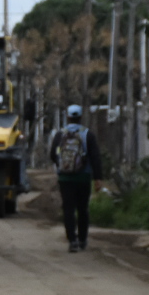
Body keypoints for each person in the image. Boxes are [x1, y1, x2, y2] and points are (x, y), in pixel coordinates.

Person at [49, 104, 102, 252]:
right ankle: (83, 240)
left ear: (67, 117)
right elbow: (95, 157)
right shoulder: (88, 135)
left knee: (68, 209)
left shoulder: (60, 134)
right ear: (80, 117)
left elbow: (53, 154)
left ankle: (72, 240)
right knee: (83, 208)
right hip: (83, 178)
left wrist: (63, 166)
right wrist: (98, 178)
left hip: (65, 179)